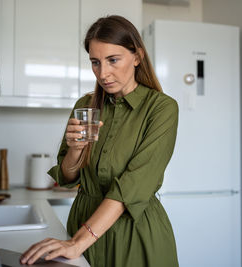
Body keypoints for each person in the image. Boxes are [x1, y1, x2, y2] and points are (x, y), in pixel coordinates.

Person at [20, 15, 179, 267]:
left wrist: (78, 242)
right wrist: (74, 151)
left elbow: (133, 185)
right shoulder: (84, 106)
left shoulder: (161, 108)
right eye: (95, 62)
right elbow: (68, 177)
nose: (103, 73)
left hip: (133, 231)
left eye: (113, 60)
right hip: (82, 220)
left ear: (137, 56)